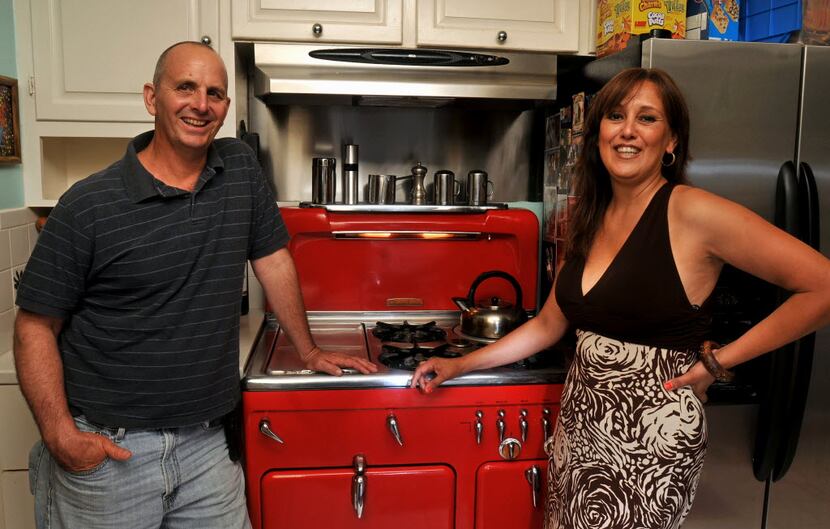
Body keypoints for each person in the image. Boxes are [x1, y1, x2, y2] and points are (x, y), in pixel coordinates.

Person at [411, 67, 830, 529]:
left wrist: (718, 362)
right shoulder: (589, 218)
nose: (627, 130)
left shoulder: (692, 212)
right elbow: (549, 325)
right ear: (598, 134)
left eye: (647, 118)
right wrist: (458, 365)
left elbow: (822, 286)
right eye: (615, 115)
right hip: (581, 432)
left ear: (671, 141)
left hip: (650, 444)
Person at [13, 41, 377, 529]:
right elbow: (34, 326)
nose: (200, 105)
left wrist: (307, 351)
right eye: (185, 87)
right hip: (112, 454)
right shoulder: (88, 206)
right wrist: (60, 435)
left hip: (208, 450)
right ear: (151, 97)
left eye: (215, 93)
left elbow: (273, 259)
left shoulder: (239, 171)